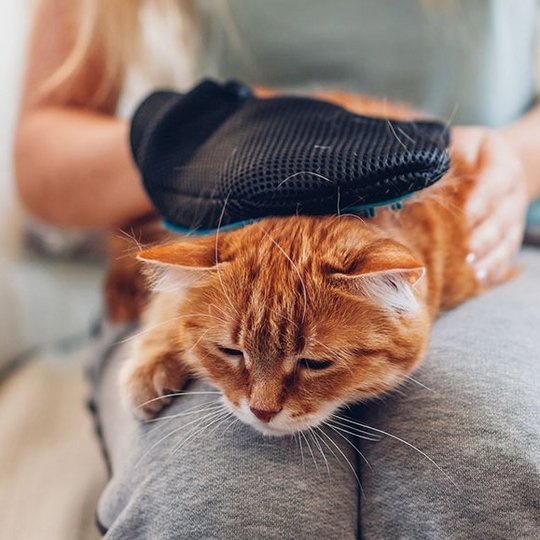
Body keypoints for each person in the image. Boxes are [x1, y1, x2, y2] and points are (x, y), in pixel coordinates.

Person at [15, 1, 540, 538]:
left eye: (314, 362)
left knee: (484, 469)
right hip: (212, 228)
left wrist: (518, 160)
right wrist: (201, 135)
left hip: (490, 222)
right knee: (226, 504)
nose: (262, 405)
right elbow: (41, 154)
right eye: (232, 355)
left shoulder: (395, 278)